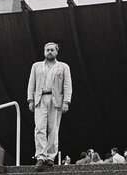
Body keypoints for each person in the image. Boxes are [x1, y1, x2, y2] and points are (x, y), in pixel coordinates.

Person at [27, 42, 72, 171]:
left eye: (52, 50)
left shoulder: (63, 67)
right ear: (44, 52)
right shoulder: (36, 66)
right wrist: (30, 100)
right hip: (40, 99)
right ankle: (40, 156)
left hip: (56, 99)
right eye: (47, 50)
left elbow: (67, 85)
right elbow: (31, 83)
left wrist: (66, 102)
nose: (50, 52)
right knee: (39, 128)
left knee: (53, 129)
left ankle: (50, 157)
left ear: (56, 52)